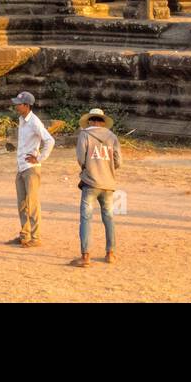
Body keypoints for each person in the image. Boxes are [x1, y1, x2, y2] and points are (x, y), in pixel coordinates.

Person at [72, 108, 121, 267]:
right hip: (108, 184)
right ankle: (110, 254)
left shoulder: (85, 135)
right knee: (108, 218)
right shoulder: (112, 137)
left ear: (91, 121)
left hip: (91, 183)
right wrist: (106, 168)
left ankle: (86, 256)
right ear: (102, 122)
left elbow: (81, 158)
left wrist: (90, 168)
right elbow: (119, 161)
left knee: (86, 219)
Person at [5, 91, 54, 247]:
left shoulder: (34, 122)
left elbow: (49, 140)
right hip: (21, 166)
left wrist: (38, 158)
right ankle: (25, 234)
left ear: (26, 105)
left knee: (32, 203)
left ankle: (36, 237)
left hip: (31, 168)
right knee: (22, 203)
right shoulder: (22, 120)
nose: (16, 106)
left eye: (18, 104)